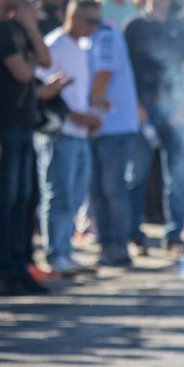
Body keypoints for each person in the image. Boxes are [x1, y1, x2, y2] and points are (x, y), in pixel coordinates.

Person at [0, 0, 57, 295]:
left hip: (25, 124)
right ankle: (3, 267)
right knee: (7, 197)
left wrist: (29, 26)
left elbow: (44, 59)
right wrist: (26, 30)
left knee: (24, 198)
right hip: (7, 124)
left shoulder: (18, 28)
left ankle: (20, 264)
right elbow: (25, 72)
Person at [124, 0, 184, 252]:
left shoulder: (178, 27)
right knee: (137, 174)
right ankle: (134, 234)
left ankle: (174, 235)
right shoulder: (134, 27)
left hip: (175, 107)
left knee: (177, 174)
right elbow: (124, 71)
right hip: (144, 106)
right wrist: (136, 105)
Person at [36, 0, 101, 275]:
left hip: (79, 134)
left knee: (75, 195)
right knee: (58, 194)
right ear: (72, 16)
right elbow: (42, 89)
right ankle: (55, 253)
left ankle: (66, 249)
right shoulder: (55, 44)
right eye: (89, 21)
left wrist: (91, 113)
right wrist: (75, 116)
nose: (93, 27)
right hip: (59, 132)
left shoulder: (82, 47)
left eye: (96, 22)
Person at [81, 17, 141, 268]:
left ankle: (118, 245)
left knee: (112, 187)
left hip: (114, 125)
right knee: (97, 189)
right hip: (97, 127)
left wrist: (87, 106)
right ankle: (107, 245)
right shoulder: (86, 38)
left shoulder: (105, 35)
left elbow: (103, 75)